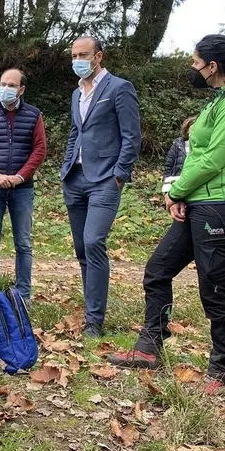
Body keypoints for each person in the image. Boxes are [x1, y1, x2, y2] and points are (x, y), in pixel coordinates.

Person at [108, 34, 225, 396]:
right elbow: (196, 156)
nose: (192, 68)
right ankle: (149, 348)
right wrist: (180, 195)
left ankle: (224, 369)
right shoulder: (219, 100)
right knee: (158, 270)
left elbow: (214, 159)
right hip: (198, 203)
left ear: (213, 67)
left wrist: (177, 191)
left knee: (215, 291)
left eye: (195, 62)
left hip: (222, 207)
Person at [60, 37, 142, 337]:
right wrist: (66, 165)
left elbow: (132, 136)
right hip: (75, 178)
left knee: (94, 242)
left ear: (98, 57)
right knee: (82, 249)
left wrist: (120, 174)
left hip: (105, 179)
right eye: (73, 55)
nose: (77, 60)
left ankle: (95, 321)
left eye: (83, 54)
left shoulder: (119, 88)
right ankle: (90, 308)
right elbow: (75, 132)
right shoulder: (75, 94)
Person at [0, 68, 48, 299]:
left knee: (23, 242)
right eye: (3, 84)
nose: (5, 88)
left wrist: (20, 176)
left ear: (21, 89)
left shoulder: (34, 115)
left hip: (22, 189)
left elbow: (39, 150)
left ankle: (23, 295)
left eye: (11, 85)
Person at [162, 116, 197, 194]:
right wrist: (167, 188)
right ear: (187, 129)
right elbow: (168, 168)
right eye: (193, 126)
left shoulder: (203, 145)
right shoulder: (177, 145)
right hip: (176, 184)